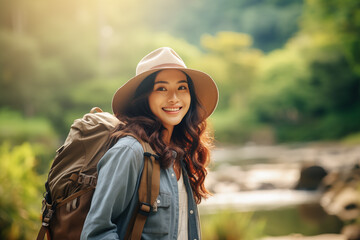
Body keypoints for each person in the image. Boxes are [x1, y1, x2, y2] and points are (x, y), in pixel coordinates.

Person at [80, 47, 218, 240]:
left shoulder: (181, 153)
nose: (174, 98)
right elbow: (95, 233)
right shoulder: (129, 152)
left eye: (182, 87)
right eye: (161, 88)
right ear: (144, 97)